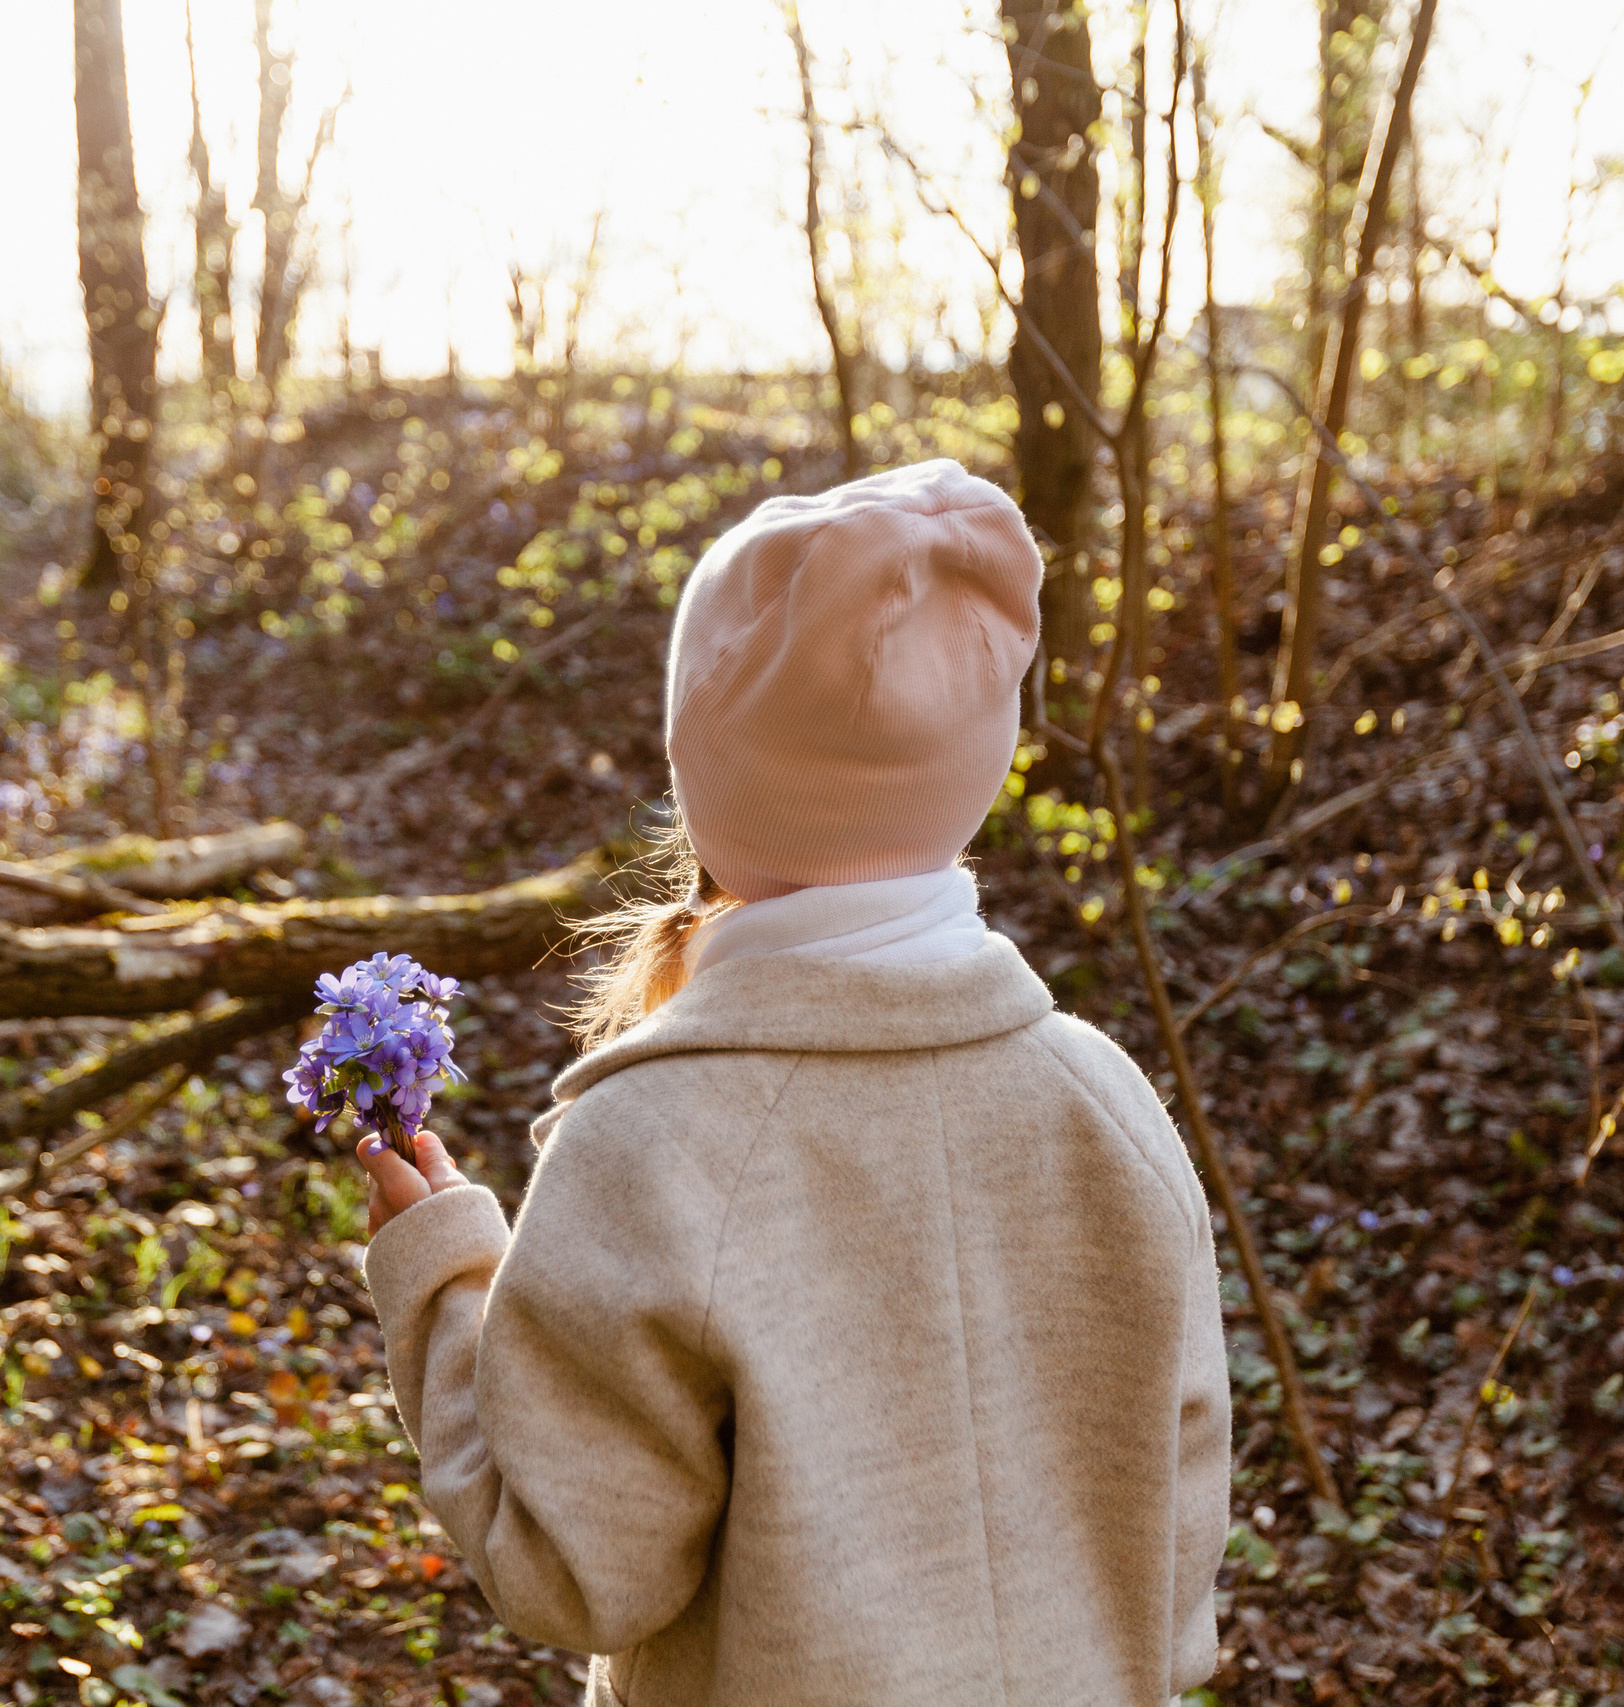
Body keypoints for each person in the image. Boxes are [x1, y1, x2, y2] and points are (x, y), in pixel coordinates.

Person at [354, 459, 1230, 1706]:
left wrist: (442, 1284)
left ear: (702, 780)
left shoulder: (654, 1142)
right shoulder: (1106, 1106)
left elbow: (577, 1570)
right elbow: (1177, 1534)